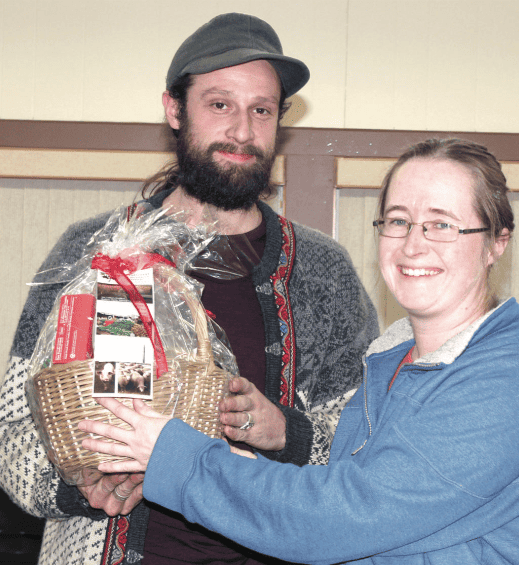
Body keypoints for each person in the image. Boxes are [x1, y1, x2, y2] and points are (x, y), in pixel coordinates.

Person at [0, 12, 378, 565]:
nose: (243, 132)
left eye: (262, 110)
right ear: (175, 109)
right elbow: (13, 432)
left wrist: (286, 432)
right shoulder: (96, 252)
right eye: (220, 104)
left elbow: (366, 443)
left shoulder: (323, 271)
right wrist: (82, 484)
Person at [82, 138, 519, 565]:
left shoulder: (515, 385)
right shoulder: (390, 364)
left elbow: (343, 517)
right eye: (399, 221)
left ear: (497, 243)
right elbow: (350, 493)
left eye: (442, 224)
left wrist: (175, 454)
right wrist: (234, 456)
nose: (414, 245)